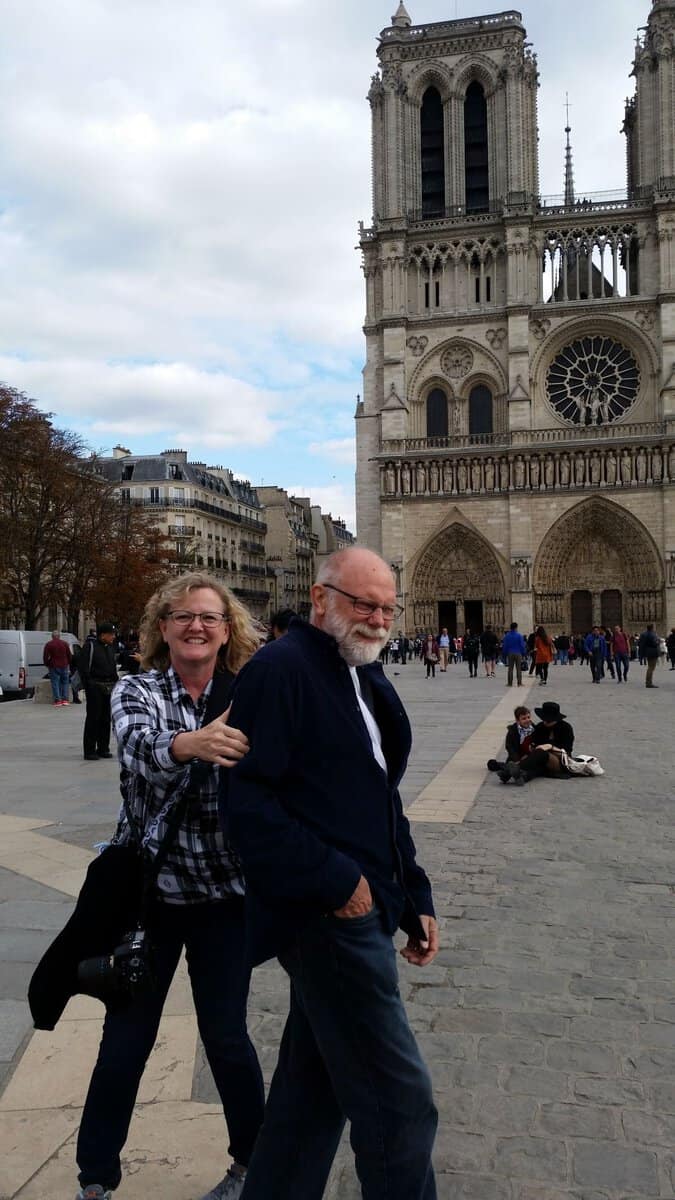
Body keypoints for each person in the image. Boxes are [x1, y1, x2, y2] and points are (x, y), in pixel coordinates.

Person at [226, 547, 438, 1200]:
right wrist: (340, 887)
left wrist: (414, 896)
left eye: (386, 607)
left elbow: (378, 798)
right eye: (362, 603)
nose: (377, 618)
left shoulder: (361, 672)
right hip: (328, 920)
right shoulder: (279, 670)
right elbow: (247, 804)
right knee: (399, 1104)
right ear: (320, 599)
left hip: (364, 909)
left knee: (310, 1092)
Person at [74, 573, 264, 1200]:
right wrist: (192, 744)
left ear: (227, 628)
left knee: (229, 1040)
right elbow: (134, 746)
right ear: (162, 628)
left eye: (209, 617)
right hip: (149, 897)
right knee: (125, 1043)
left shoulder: (252, 693)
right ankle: (96, 1179)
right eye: (182, 616)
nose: (196, 626)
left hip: (225, 898)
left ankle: (250, 1165)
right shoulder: (136, 689)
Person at [498, 701, 574, 785]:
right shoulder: (540, 727)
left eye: (548, 720)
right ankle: (522, 776)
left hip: (559, 761)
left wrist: (550, 747)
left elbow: (567, 751)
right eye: (543, 719)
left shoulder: (566, 728)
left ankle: (508, 772)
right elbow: (534, 743)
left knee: (541, 753)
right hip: (540, 760)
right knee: (537, 766)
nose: (545, 722)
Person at [79, 623, 119, 761]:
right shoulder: (90, 647)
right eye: (111, 634)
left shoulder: (110, 648)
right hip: (95, 686)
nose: (113, 637)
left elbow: (112, 667)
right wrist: (89, 685)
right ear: (103, 635)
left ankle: (103, 748)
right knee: (93, 718)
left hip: (109, 686)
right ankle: (89, 750)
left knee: (106, 718)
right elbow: (83, 668)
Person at [487, 705, 534, 773]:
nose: (527, 720)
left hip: (529, 755)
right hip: (516, 756)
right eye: (524, 719)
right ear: (518, 720)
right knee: (510, 766)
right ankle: (504, 769)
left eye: (528, 717)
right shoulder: (513, 731)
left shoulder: (533, 728)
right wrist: (516, 759)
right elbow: (509, 746)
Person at [43, 630, 73, 706]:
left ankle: (58, 700)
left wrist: (47, 664)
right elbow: (69, 655)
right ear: (59, 636)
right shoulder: (65, 644)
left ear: (52, 637)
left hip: (53, 665)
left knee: (55, 683)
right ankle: (65, 700)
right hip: (64, 665)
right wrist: (68, 662)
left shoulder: (49, 644)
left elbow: (45, 656)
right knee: (65, 682)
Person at [501, 622, 527, 686]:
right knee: (518, 669)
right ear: (516, 627)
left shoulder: (507, 636)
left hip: (510, 653)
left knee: (510, 669)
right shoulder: (519, 635)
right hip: (518, 653)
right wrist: (524, 653)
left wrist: (504, 654)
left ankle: (510, 683)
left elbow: (505, 646)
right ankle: (519, 683)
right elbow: (522, 645)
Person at [639, 622, 661, 688]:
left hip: (647, 652)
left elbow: (640, 643)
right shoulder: (653, 635)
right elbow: (655, 643)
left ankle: (648, 682)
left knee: (650, 667)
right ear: (652, 628)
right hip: (653, 652)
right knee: (651, 668)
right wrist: (658, 641)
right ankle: (649, 683)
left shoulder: (643, 634)